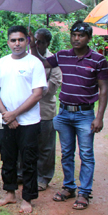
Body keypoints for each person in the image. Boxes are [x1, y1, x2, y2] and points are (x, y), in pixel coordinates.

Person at [29, 21, 108, 210]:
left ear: (89, 38)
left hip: (85, 114)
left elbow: (104, 90)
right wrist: (32, 45)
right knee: (66, 154)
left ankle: (84, 192)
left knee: (86, 154)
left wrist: (99, 117)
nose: (76, 38)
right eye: (73, 35)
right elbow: (41, 63)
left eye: (81, 36)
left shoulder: (98, 60)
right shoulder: (63, 56)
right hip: (64, 113)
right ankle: (69, 187)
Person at [0, 25, 46, 213]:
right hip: (6, 120)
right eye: (13, 40)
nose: (17, 43)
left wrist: (15, 114)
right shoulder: (2, 63)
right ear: (8, 42)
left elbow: (37, 94)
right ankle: (10, 193)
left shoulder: (34, 63)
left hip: (28, 122)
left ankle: (28, 198)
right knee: (8, 157)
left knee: (29, 160)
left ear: (27, 41)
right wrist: (7, 114)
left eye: (21, 39)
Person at [25, 28, 62, 191]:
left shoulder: (54, 61)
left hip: (45, 110)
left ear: (47, 43)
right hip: (25, 110)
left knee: (45, 146)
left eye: (40, 41)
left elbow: (50, 89)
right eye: (35, 40)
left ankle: (43, 177)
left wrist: (34, 86)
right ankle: (23, 174)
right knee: (25, 144)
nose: (37, 44)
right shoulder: (24, 57)